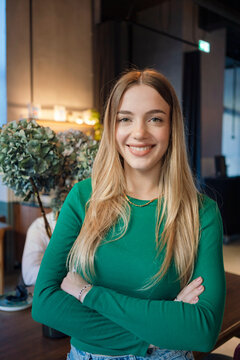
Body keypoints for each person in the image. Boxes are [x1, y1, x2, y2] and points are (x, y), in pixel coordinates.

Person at [32, 69, 226, 360]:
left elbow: (202, 329)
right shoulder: (84, 198)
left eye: (155, 119)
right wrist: (161, 329)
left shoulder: (201, 213)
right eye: (125, 119)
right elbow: (45, 303)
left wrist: (87, 293)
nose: (139, 133)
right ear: (113, 127)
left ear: (172, 127)